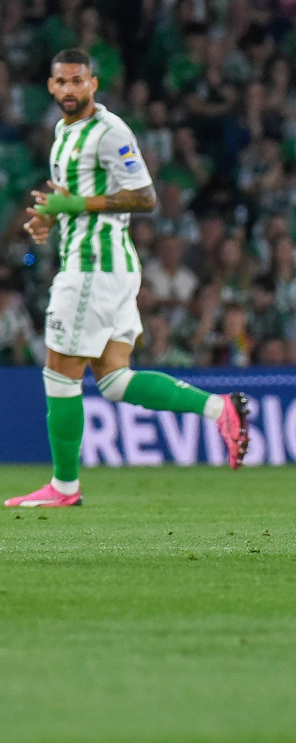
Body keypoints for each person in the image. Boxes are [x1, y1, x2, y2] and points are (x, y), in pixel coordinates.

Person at [13, 49, 248, 508]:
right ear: (50, 86)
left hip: (92, 268)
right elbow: (71, 195)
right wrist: (48, 217)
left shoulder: (110, 131)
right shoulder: (63, 133)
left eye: (78, 81)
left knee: (59, 375)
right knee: (116, 381)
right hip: (109, 267)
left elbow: (144, 197)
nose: (68, 90)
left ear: (93, 84)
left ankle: (64, 488)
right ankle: (221, 409)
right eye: (61, 82)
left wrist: (75, 209)